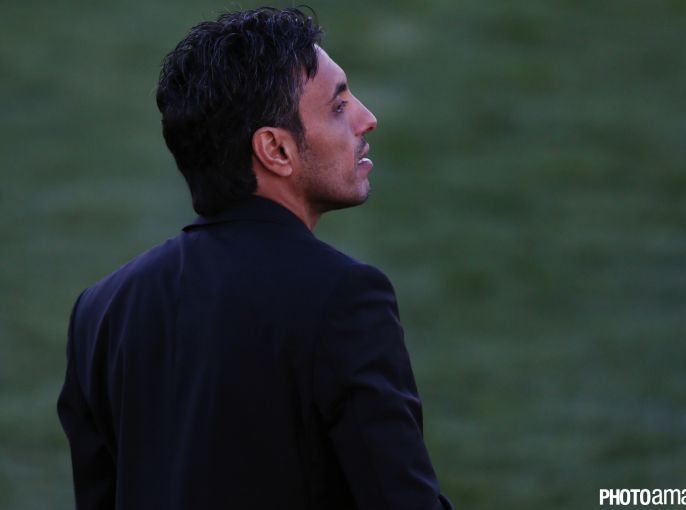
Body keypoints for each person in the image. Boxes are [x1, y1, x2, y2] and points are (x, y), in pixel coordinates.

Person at [57, 7, 453, 510]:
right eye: (338, 106)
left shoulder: (101, 310)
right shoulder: (342, 299)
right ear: (276, 150)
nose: (366, 118)